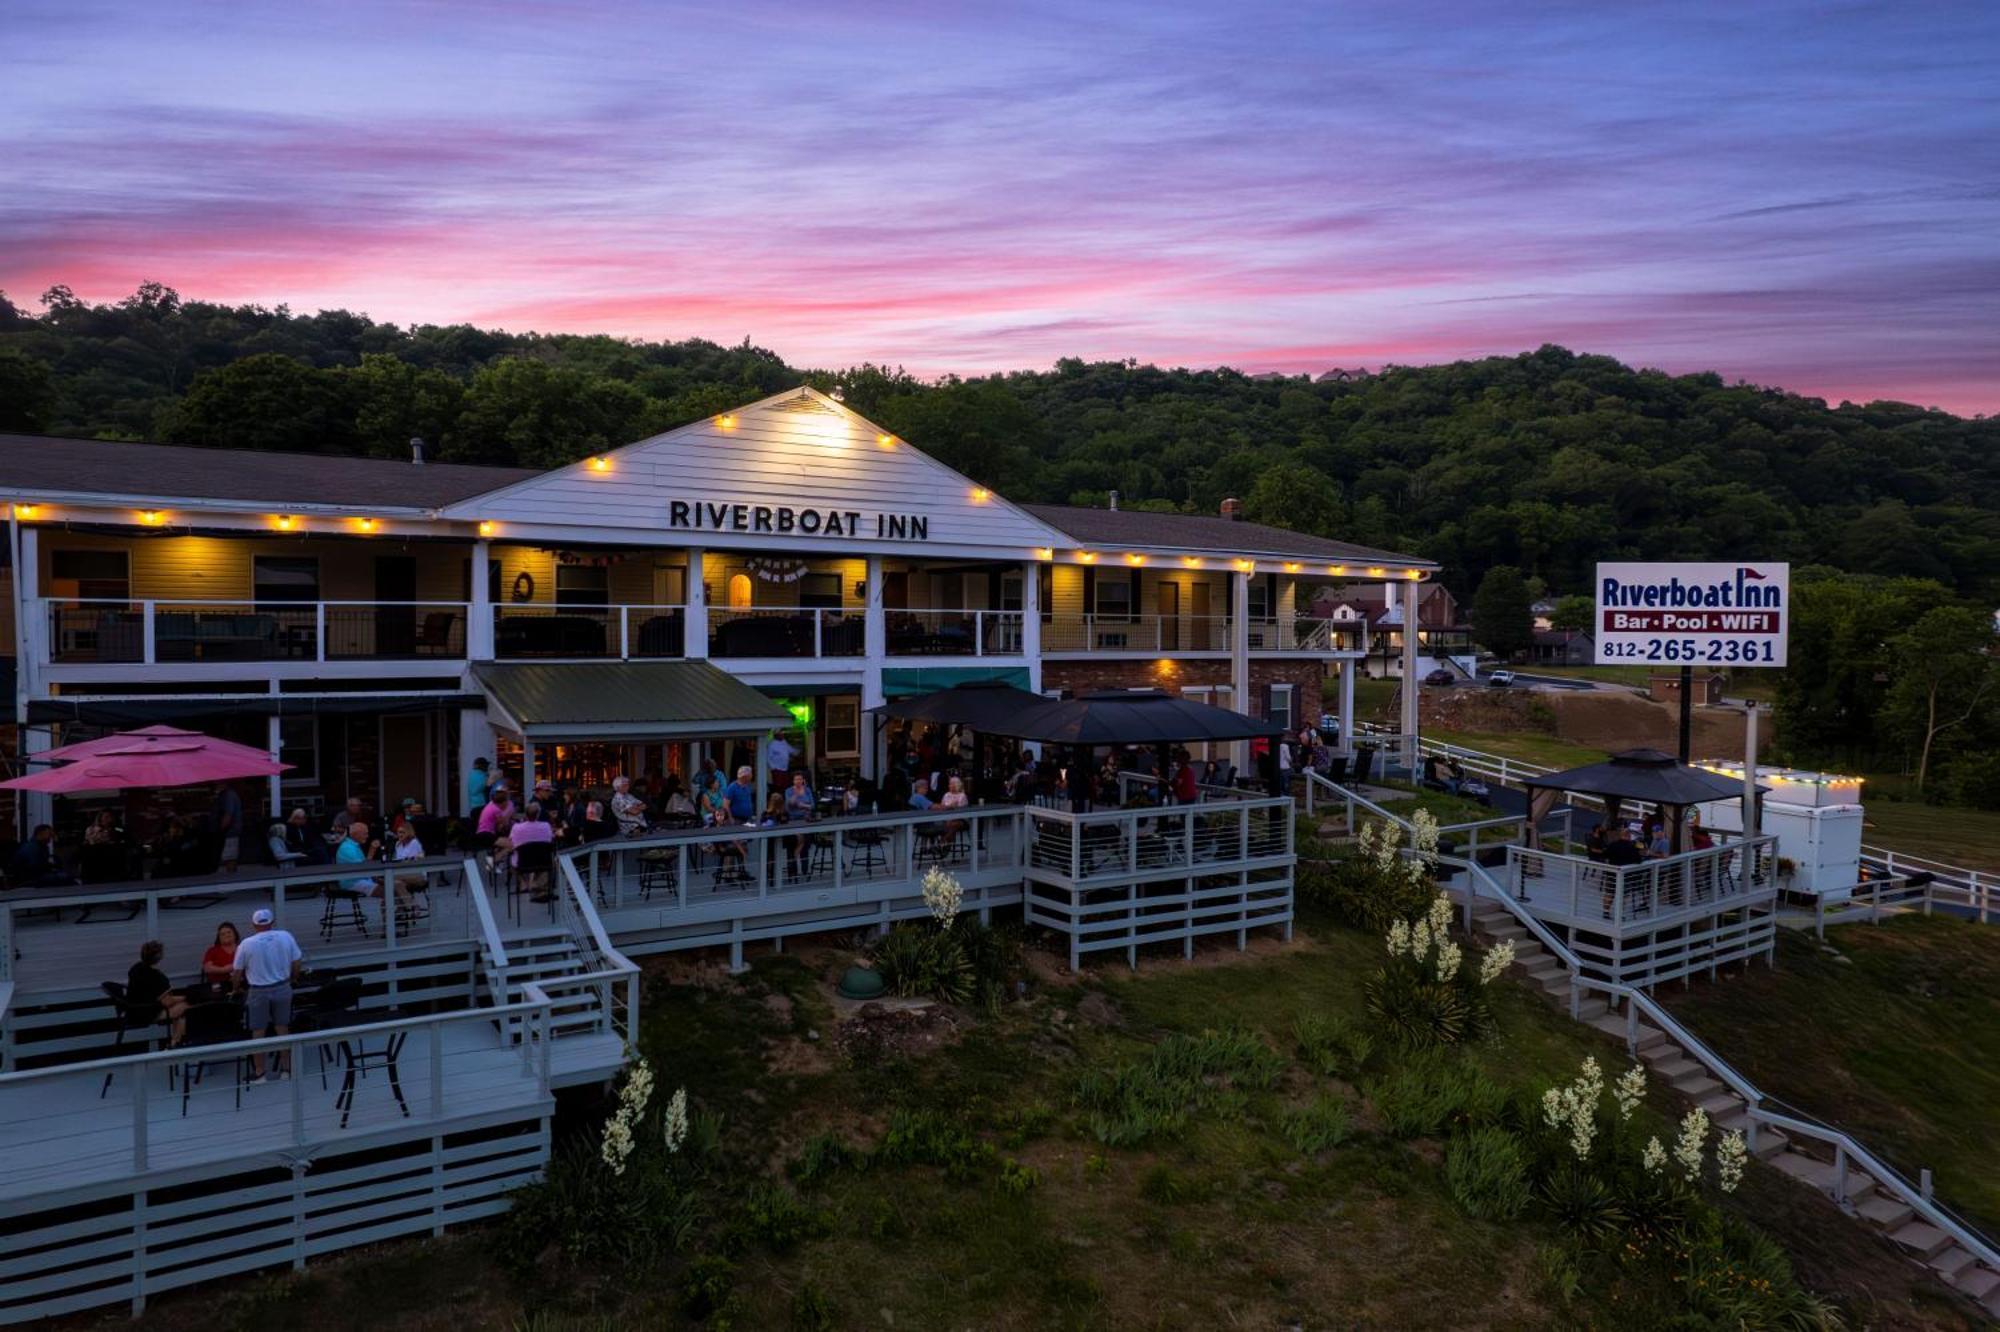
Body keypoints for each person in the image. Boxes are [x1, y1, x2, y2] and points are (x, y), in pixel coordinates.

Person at [233, 907, 304, 1081]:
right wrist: (294, 979)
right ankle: (286, 1070)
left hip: (258, 990)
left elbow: (237, 972)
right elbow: (296, 963)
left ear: (254, 924)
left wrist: (236, 988)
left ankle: (260, 1072)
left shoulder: (246, 944)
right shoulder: (286, 936)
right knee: (283, 1028)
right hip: (282, 987)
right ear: (272, 922)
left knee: (258, 1032)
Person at [126, 940, 189, 1043]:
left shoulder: (135, 968)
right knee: (186, 1008)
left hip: (132, 1011)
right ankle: (175, 1045)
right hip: (147, 1013)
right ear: (159, 957)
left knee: (179, 1011)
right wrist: (187, 997)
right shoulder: (157, 977)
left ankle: (176, 1042)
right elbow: (167, 1002)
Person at [212, 780, 244, 872]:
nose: (215, 785)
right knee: (229, 856)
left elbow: (228, 815)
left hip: (229, 832)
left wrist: (220, 830)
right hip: (229, 831)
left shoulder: (228, 795)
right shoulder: (224, 795)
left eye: (217, 783)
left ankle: (231, 877)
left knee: (229, 857)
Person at [201, 921, 241, 990]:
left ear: (235, 934)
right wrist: (224, 969)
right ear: (219, 938)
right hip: (218, 986)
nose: (226, 935)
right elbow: (207, 968)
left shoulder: (243, 948)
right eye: (222, 934)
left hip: (241, 984)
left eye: (229, 932)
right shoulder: (212, 950)